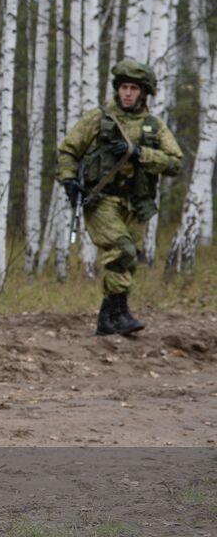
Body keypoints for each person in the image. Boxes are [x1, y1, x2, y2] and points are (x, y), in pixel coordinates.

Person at [56, 60, 182, 335]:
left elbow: (175, 163)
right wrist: (68, 180)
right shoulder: (99, 119)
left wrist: (138, 153)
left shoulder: (154, 127)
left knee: (126, 258)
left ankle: (109, 317)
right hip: (102, 200)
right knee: (121, 249)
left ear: (143, 92)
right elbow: (68, 150)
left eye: (133, 88)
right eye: (123, 87)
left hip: (137, 202)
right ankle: (118, 313)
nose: (127, 93)